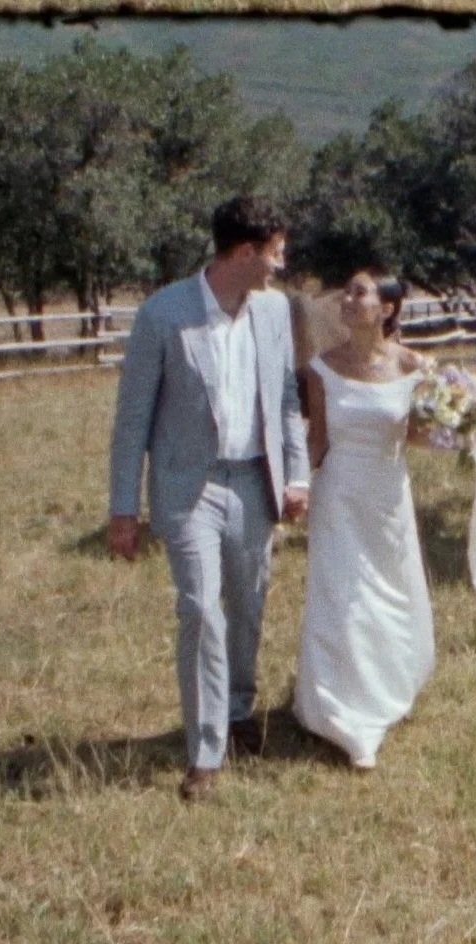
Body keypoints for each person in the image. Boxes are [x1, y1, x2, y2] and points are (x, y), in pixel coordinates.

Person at [107, 197, 310, 802]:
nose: (281, 262)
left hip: (254, 482)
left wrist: (296, 476)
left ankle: (239, 712)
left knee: (247, 602)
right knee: (200, 607)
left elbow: (286, 400)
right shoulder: (163, 315)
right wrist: (124, 510)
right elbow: (132, 419)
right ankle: (206, 753)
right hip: (186, 487)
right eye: (274, 252)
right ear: (244, 253)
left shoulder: (274, 313)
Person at [292, 269, 436, 770]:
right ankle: (346, 717)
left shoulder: (415, 366)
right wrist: (296, 487)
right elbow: (318, 439)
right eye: (346, 290)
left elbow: (417, 434)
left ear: (388, 309)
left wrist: (463, 424)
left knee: (389, 594)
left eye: (359, 292)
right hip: (338, 496)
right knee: (343, 598)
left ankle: (387, 690)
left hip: (388, 497)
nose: (346, 300)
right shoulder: (321, 368)